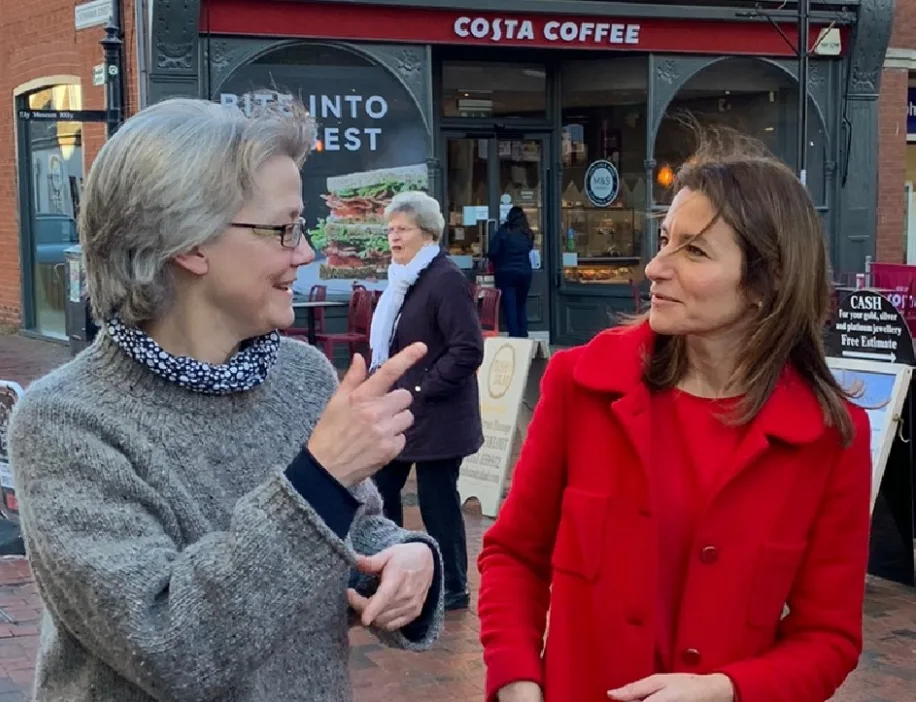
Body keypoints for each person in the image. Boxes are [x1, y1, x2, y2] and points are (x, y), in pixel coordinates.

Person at [6, 96, 445, 702]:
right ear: (189, 244)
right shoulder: (67, 421)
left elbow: (354, 529)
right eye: (283, 228)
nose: (306, 252)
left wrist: (403, 561)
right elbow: (167, 647)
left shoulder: (301, 375)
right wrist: (320, 478)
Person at [477, 131, 872, 702]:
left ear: (767, 282)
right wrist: (517, 679)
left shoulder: (828, 437)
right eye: (665, 240)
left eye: (695, 251)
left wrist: (729, 689)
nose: (655, 267)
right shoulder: (582, 387)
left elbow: (829, 636)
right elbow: (514, 554)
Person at [368, 191, 484, 612]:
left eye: (401, 230)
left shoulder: (444, 278)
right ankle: (392, 568)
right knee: (381, 490)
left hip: (438, 417)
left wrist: (421, 389)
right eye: (390, 230)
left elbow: (468, 349)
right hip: (403, 413)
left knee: (437, 502)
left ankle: (453, 586)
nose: (393, 238)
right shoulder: (404, 278)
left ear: (427, 233)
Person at [489, 206, 535, 338]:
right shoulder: (528, 234)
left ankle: (515, 338)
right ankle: (524, 335)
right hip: (525, 273)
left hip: (506, 274)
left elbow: (492, 252)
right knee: (521, 305)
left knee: (510, 307)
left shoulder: (504, 232)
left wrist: (499, 261)